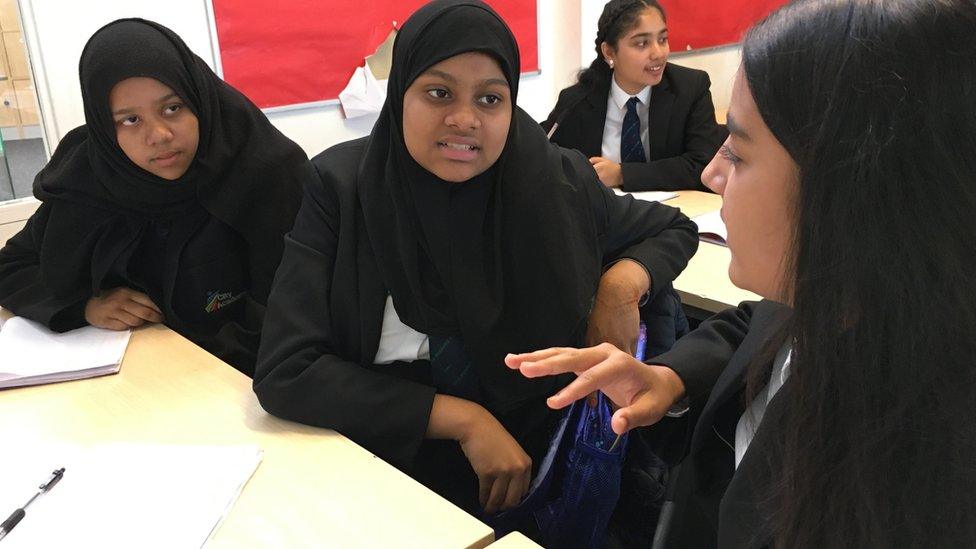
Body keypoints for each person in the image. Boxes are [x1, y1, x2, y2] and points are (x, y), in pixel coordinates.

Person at [508, 0, 976, 546]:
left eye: (741, 152)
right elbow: (758, 324)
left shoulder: (923, 477)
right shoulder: (837, 296)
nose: (713, 171)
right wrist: (668, 377)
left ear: (848, 187)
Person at [253, 0, 698, 519]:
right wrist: (463, 420)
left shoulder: (554, 182)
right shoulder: (341, 189)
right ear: (400, 97)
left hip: (537, 435)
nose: (465, 120)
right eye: (438, 93)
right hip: (383, 441)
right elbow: (287, 370)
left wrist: (619, 286)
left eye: (490, 99)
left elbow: (674, 227)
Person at [0, 19, 309, 376]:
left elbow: (297, 314)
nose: (159, 135)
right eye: (130, 120)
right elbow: (11, 267)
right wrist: (84, 307)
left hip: (247, 381)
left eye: (173, 108)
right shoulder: (88, 179)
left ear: (199, 99)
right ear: (104, 127)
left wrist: (192, 370)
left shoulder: (267, 173)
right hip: (132, 385)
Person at [542, 0, 725, 192]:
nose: (658, 53)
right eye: (642, 43)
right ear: (609, 51)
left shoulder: (690, 88)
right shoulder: (578, 100)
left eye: (662, 39)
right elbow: (547, 155)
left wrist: (622, 174)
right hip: (601, 213)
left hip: (675, 210)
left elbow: (703, 165)